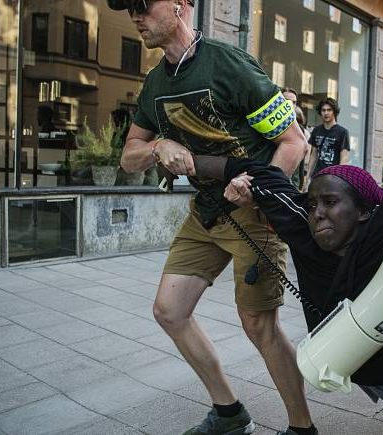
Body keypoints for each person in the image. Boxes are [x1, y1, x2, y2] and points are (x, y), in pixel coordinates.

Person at [109, 1, 313, 434]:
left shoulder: (227, 64)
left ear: (182, 5)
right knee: (170, 311)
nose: (135, 16)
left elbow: (294, 142)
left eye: (144, 5)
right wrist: (156, 148)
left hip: (253, 214)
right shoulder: (155, 84)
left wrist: (258, 188)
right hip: (204, 214)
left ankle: (302, 427)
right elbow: (129, 157)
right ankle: (230, 414)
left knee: (260, 325)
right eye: (130, 9)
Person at [188, 152, 383, 417]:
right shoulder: (302, 228)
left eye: (330, 202)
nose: (317, 214)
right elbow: (257, 171)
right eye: (312, 205)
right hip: (372, 374)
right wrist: (187, 160)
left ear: (364, 211)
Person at [306, 98, 350, 180]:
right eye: (323, 110)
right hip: (318, 175)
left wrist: (339, 177)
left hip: (333, 176)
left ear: (334, 112)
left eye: (329, 110)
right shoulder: (317, 130)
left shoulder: (342, 132)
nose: (326, 113)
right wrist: (308, 176)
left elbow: (344, 158)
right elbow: (314, 155)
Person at [281, 87, 310, 190]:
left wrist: (301, 181)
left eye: (294, 102)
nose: (290, 105)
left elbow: (302, 159)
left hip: (294, 183)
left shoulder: (300, 129)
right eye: (286, 101)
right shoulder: (272, 128)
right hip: (276, 181)